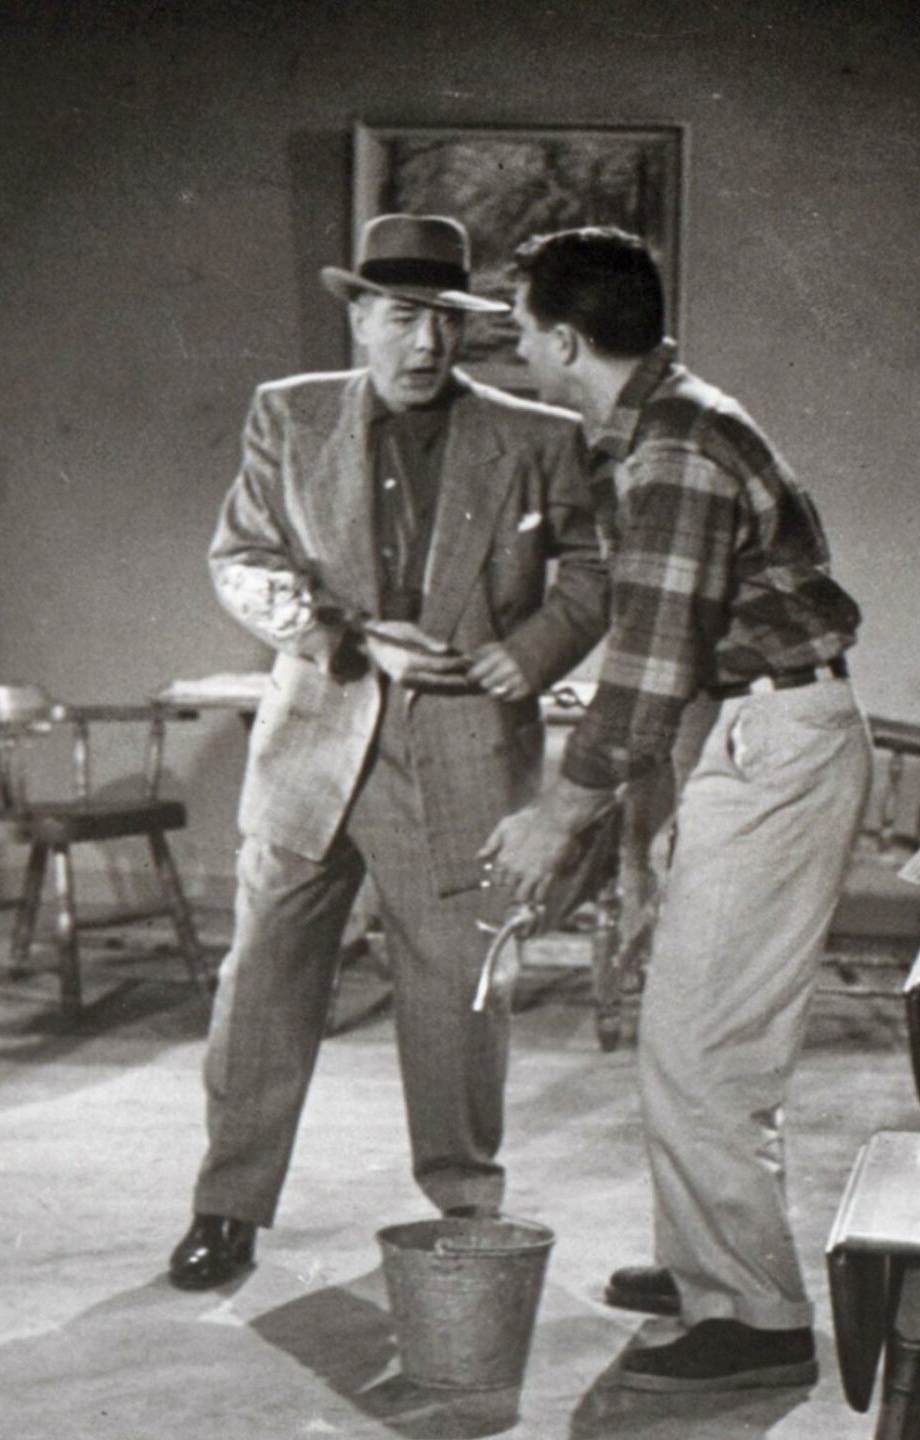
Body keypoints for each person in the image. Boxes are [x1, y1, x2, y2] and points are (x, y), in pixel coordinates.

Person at [165, 214, 609, 1290]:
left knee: (459, 997)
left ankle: (465, 1212)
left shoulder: (537, 436)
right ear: (359, 316)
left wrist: (528, 653)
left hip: (463, 752)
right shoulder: (289, 414)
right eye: (404, 317)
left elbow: (596, 569)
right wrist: (345, 634)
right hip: (316, 748)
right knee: (263, 989)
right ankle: (226, 1209)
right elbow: (244, 557)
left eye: (447, 322)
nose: (427, 345)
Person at [484, 226, 870, 1393]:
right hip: (745, 730)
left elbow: (647, 667)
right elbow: (682, 656)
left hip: (777, 741)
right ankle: (706, 1264)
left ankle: (754, 1317)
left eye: (521, 329)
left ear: (564, 340)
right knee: (694, 1024)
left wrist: (557, 816)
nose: (518, 349)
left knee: (705, 1042)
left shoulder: (673, 448)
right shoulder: (661, 428)